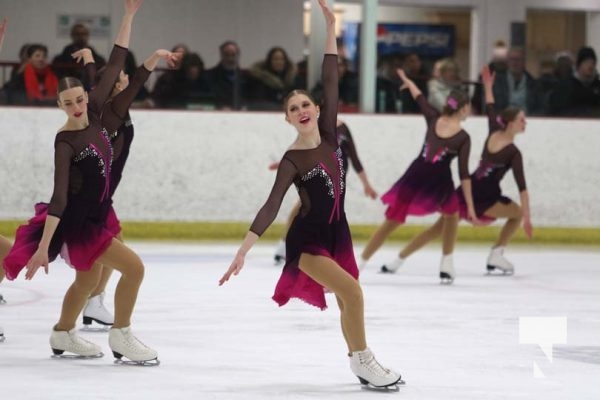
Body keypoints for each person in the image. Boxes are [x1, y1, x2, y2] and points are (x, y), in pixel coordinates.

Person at [219, 0, 402, 390]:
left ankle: (359, 362)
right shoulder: (292, 158)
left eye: (305, 104)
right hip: (307, 241)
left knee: (345, 299)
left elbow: (331, 77)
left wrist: (331, 26)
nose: (301, 110)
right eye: (293, 108)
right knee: (353, 292)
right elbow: (272, 205)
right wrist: (243, 250)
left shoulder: (334, 135)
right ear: (287, 118)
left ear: (317, 109)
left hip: (339, 232)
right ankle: (365, 359)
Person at [2, 0, 176, 365]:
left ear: (87, 96)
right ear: (60, 105)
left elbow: (117, 63)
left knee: (85, 283)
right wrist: (44, 246)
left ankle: (63, 333)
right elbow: (59, 197)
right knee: (135, 268)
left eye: (79, 98)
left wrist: (128, 17)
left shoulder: (99, 112)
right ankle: (122, 336)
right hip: (80, 220)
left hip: (100, 213)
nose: (77, 106)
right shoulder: (65, 141)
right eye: (69, 102)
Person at [359, 69, 478, 284]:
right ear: (463, 108)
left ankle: (360, 263)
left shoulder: (433, 119)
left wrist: (408, 81)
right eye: (468, 107)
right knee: (452, 215)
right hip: (439, 181)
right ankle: (447, 263)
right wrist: (469, 204)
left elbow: (419, 98)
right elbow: (464, 175)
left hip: (415, 176)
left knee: (391, 222)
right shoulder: (463, 137)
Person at [459, 65, 532, 273]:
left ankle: (399, 260)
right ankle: (497, 254)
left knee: (443, 224)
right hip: (486, 197)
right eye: (521, 120)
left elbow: (490, 106)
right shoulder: (513, 153)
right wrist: (527, 218)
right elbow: (523, 189)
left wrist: (488, 86)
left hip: (470, 187)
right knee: (516, 215)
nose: (525, 123)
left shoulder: (494, 129)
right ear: (510, 123)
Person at [272, 119, 378, 264]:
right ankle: (286, 245)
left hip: (337, 179)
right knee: (303, 207)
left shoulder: (343, 128)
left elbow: (354, 158)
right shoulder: (314, 126)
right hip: (317, 173)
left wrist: (366, 184)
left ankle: (316, 251)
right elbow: (299, 148)